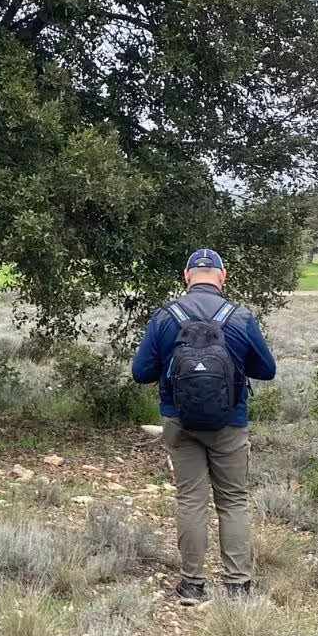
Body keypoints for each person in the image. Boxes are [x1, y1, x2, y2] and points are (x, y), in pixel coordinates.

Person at [130, 249, 277, 604]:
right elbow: (267, 370)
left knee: (191, 500)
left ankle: (192, 585)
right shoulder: (240, 316)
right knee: (233, 501)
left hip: (180, 422)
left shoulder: (166, 317)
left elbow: (140, 372)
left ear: (187, 276)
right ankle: (238, 586)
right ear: (222, 277)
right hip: (231, 423)